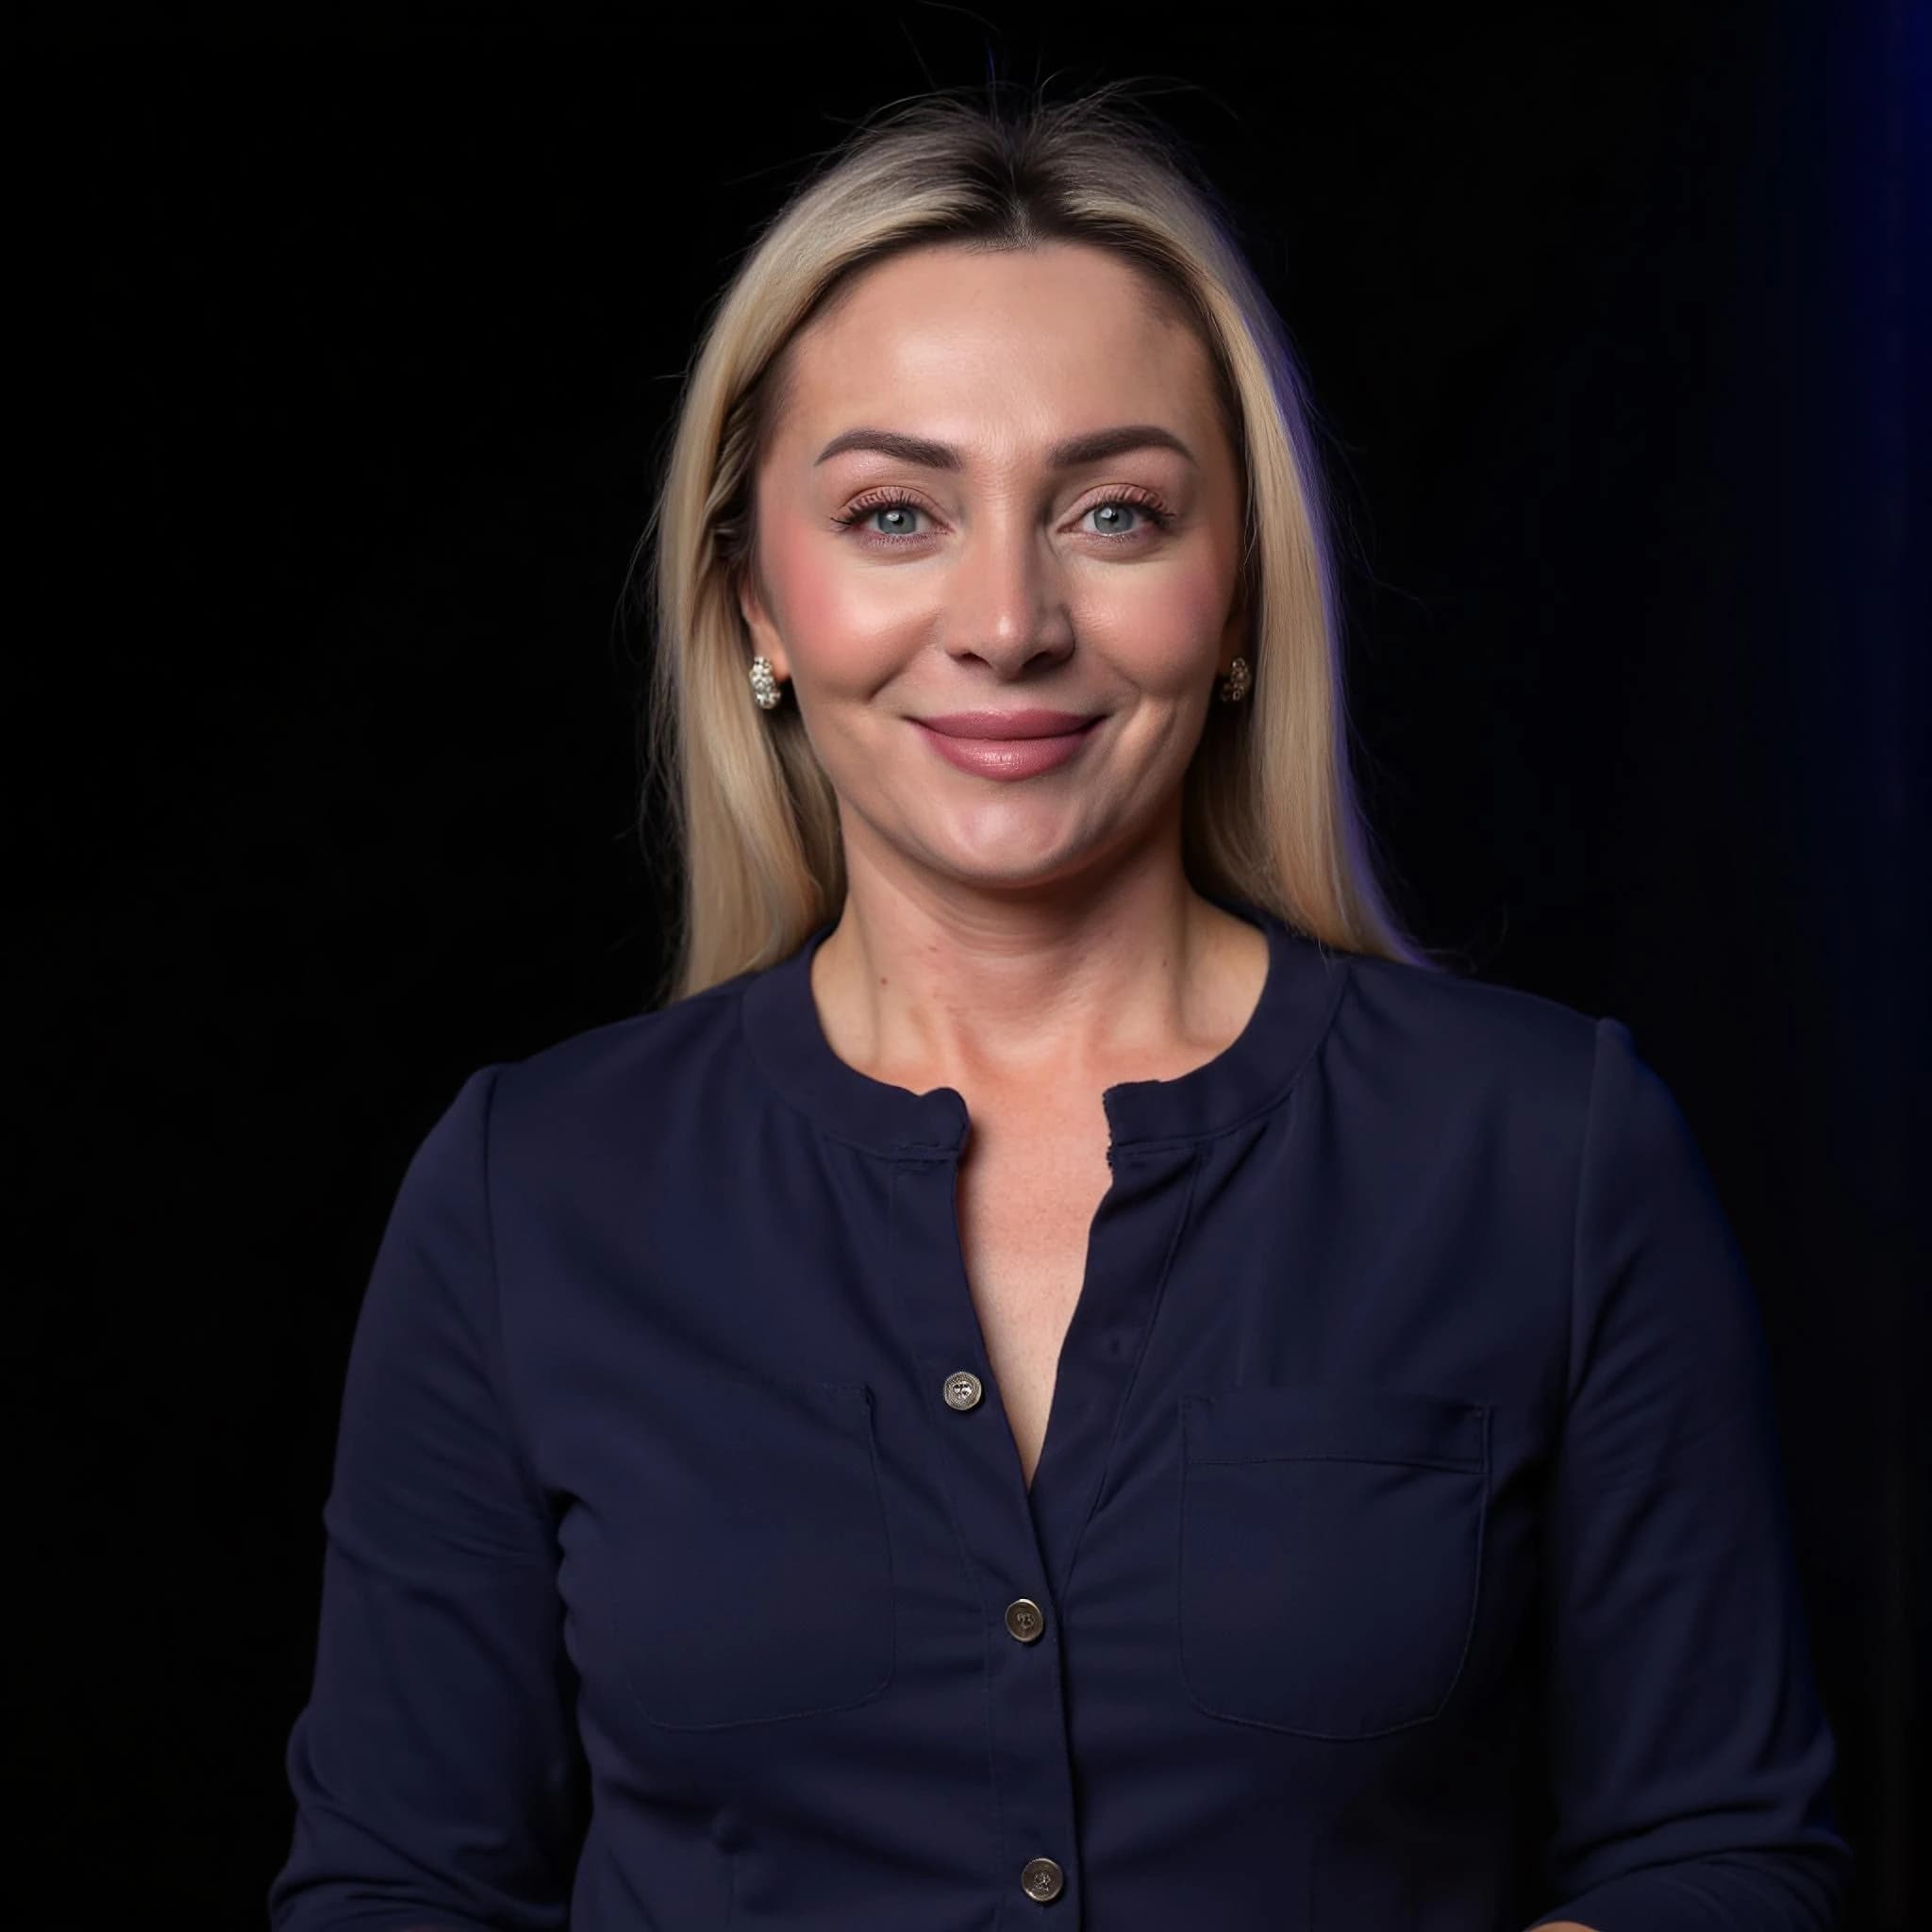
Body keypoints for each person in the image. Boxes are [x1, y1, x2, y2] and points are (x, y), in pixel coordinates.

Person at [267, 83, 1852, 1932]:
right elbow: (395, 1889)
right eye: (891, 513)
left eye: (1110, 510)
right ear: (755, 605)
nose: (1006, 619)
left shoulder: (1545, 1152)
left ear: (1238, 585)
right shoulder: (524, 1193)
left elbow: (1718, 1857)